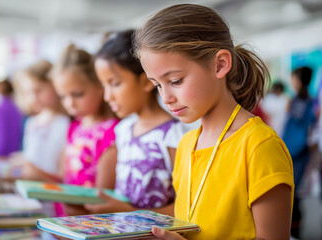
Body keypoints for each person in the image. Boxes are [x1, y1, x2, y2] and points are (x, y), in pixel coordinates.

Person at [133, 4, 294, 239]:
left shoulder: (259, 146)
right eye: (157, 84)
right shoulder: (186, 145)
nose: (166, 98)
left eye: (176, 81)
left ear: (220, 65)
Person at [84, 30, 190, 215]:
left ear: (146, 81)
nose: (107, 96)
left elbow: (187, 207)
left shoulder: (174, 136)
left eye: (115, 83)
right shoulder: (123, 130)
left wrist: (131, 212)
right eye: (104, 85)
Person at [52, 44, 119, 215]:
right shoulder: (74, 127)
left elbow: (103, 196)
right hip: (63, 219)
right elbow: (63, 175)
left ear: (99, 85)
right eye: (63, 96)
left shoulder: (112, 131)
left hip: (88, 223)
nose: (69, 103)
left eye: (77, 94)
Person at [7, 60, 70, 182]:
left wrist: (34, 170)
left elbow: (64, 175)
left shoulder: (66, 124)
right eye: (29, 92)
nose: (33, 98)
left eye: (38, 90)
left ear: (55, 85)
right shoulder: (31, 123)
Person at [282, 66, 316, 238]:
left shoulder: (295, 101)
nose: (292, 81)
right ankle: (294, 233)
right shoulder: (311, 102)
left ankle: (293, 232)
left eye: (293, 78)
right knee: (294, 197)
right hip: (300, 153)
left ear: (298, 80)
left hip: (293, 153)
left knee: (291, 197)